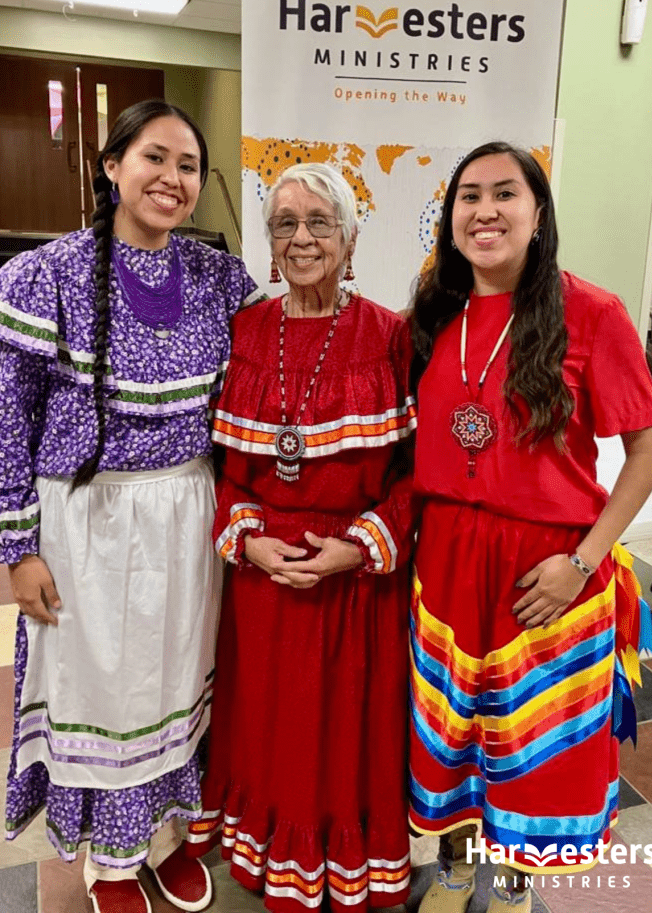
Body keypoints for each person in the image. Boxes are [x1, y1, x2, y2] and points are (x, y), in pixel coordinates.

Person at [0, 100, 259, 913]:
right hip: (87, 522)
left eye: (187, 166)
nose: (171, 180)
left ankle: (170, 837)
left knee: (178, 679)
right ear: (112, 167)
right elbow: (7, 417)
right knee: (102, 689)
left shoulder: (221, 277)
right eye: (154, 158)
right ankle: (110, 862)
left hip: (188, 513)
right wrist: (18, 548)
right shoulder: (43, 277)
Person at [409, 142, 652, 913]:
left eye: (504, 194)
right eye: (467, 197)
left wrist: (583, 563)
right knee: (449, 727)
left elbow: (646, 452)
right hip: (447, 559)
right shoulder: (432, 309)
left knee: (532, 747)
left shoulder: (591, 311)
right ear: (450, 216)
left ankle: (515, 887)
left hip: (546, 569)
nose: (484, 211)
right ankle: (455, 869)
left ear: (537, 212)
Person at [186, 162, 416, 913]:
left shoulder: (390, 336)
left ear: (350, 239)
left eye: (319, 222)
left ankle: (341, 865)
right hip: (264, 581)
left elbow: (420, 476)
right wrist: (246, 539)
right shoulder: (244, 332)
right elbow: (222, 468)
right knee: (269, 733)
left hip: (354, 582)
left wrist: (360, 546)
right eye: (284, 224)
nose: (301, 238)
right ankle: (270, 861)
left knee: (344, 736)